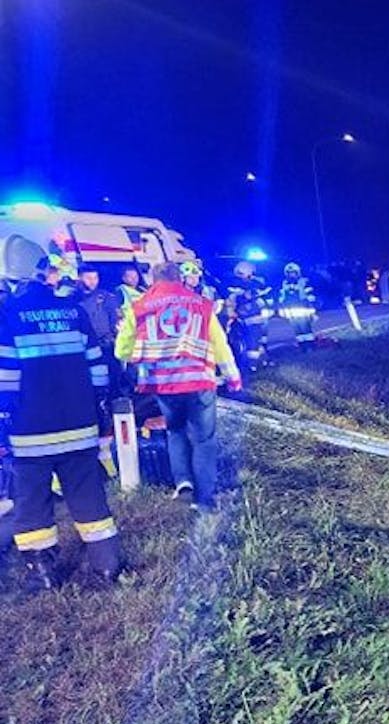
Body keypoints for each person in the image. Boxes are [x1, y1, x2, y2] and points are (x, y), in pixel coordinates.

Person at [0, 241, 124, 590]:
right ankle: (106, 564)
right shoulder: (74, 311)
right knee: (88, 493)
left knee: (33, 501)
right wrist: (99, 409)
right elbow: (99, 369)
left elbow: (5, 377)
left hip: (30, 433)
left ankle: (42, 571)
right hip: (80, 425)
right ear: (44, 271)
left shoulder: (8, 314)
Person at [115, 261, 242, 511]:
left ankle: (183, 482)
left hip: (163, 385)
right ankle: (204, 498)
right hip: (198, 381)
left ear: (153, 280)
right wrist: (232, 375)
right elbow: (219, 343)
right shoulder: (202, 305)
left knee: (175, 431)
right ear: (178, 279)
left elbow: (122, 349)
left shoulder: (139, 307)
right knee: (204, 439)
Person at [73, 266, 124, 353]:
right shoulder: (71, 298)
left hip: (105, 346)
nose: (93, 282)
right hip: (80, 346)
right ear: (79, 278)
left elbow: (117, 321)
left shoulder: (106, 297)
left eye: (95, 278)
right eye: (88, 278)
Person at [277, 262, 318, 346]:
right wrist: (281, 306)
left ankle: (310, 344)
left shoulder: (303, 281)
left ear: (297, 273)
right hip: (290, 307)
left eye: (293, 273)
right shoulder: (284, 283)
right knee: (295, 326)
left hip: (302, 306)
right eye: (289, 273)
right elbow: (282, 296)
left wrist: (311, 306)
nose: (291, 275)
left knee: (305, 326)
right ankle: (301, 343)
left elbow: (310, 294)